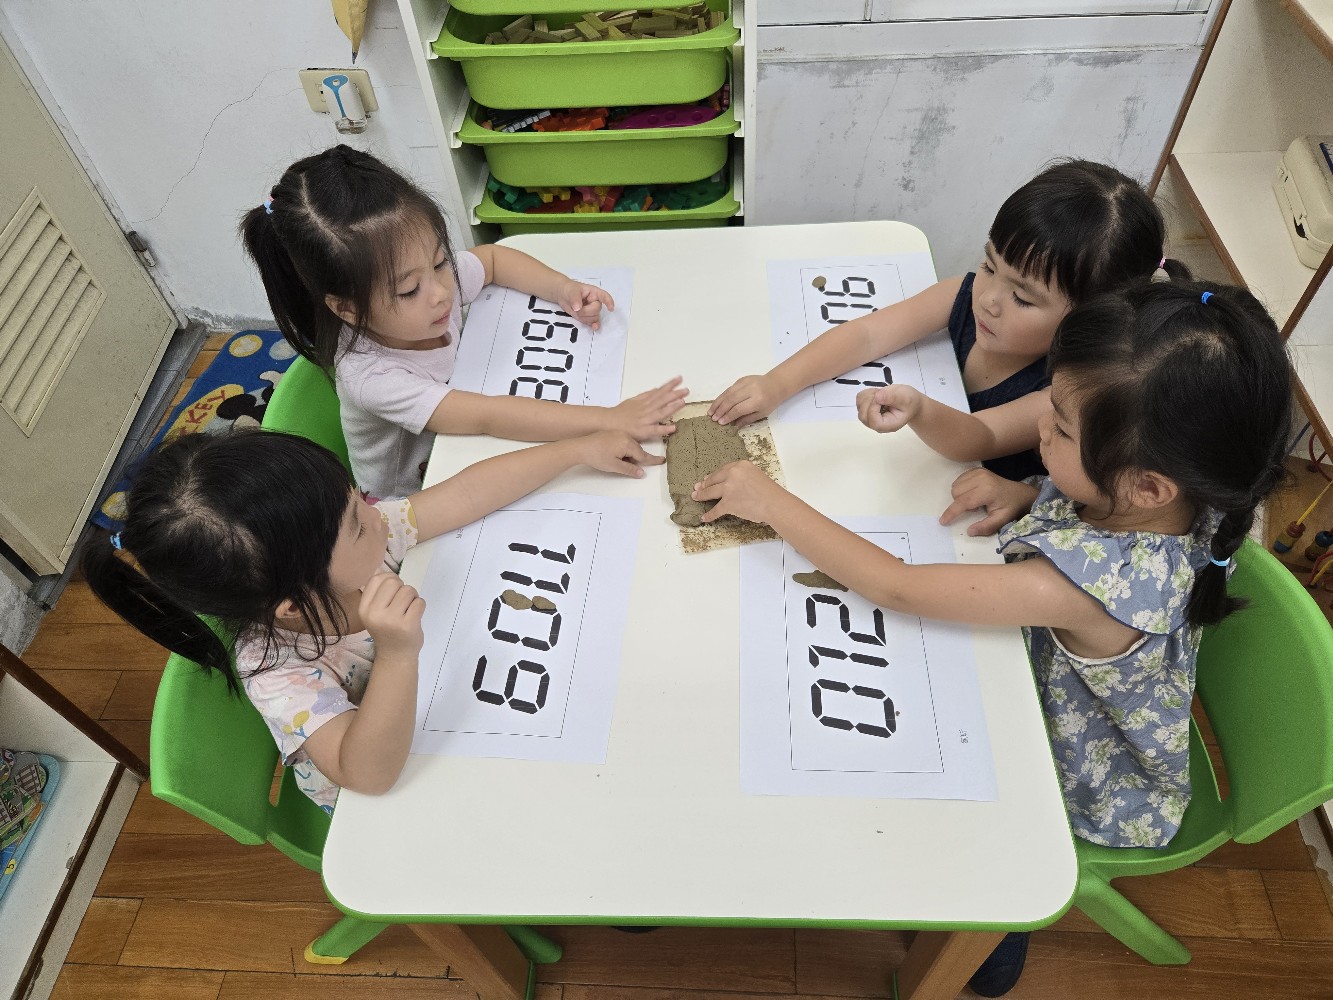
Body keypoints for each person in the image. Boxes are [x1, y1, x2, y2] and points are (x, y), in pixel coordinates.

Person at [691, 280, 1292, 995]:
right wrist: (1030, 494)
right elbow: (1081, 512)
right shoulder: (1178, 491)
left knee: (891, 798)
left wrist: (770, 500)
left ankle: (997, 927)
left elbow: (898, 587)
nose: (1040, 429)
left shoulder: (1082, 585)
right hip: (1065, 684)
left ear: (1147, 487)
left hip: (1085, 781)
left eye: (1060, 428)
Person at [81, 426, 661, 813]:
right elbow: (367, 773)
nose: (375, 512)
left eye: (354, 495)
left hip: (460, 699)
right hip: (396, 788)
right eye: (356, 523)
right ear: (292, 605)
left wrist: (573, 451)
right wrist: (399, 654)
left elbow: (464, 495)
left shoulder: (362, 539)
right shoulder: (278, 674)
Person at [240, 144, 686, 499]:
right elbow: (488, 416)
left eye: (439, 262)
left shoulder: (428, 289)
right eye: (408, 290)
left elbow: (492, 260)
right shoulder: (371, 378)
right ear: (348, 310)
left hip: (465, 437)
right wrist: (608, 418)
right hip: (415, 498)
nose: (440, 291)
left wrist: (562, 289)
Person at [709, 159, 1188, 481]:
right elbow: (868, 334)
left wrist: (920, 410)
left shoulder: (1063, 389)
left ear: (1090, 318)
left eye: (1022, 298)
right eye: (989, 265)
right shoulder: (965, 295)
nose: (989, 299)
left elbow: (980, 437)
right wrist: (778, 383)